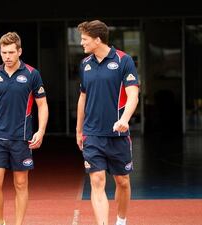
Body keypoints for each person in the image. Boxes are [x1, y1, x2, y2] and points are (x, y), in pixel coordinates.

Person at [0, 32, 49, 225]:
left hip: (22, 137)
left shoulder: (32, 74)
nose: (7, 56)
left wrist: (40, 131)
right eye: (3, 53)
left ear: (19, 51)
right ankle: (0, 222)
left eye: (11, 52)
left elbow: (42, 105)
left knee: (20, 183)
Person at [76, 20, 139, 225]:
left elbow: (133, 95)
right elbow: (82, 98)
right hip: (92, 134)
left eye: (84, 39)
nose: (81, 43)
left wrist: (124, 120)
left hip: (118, 135)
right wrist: (79, 130)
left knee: (122, 181)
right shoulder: (85, 64)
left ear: (97, 39)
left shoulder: (124, 60)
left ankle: (121, 221)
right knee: (97, 181)